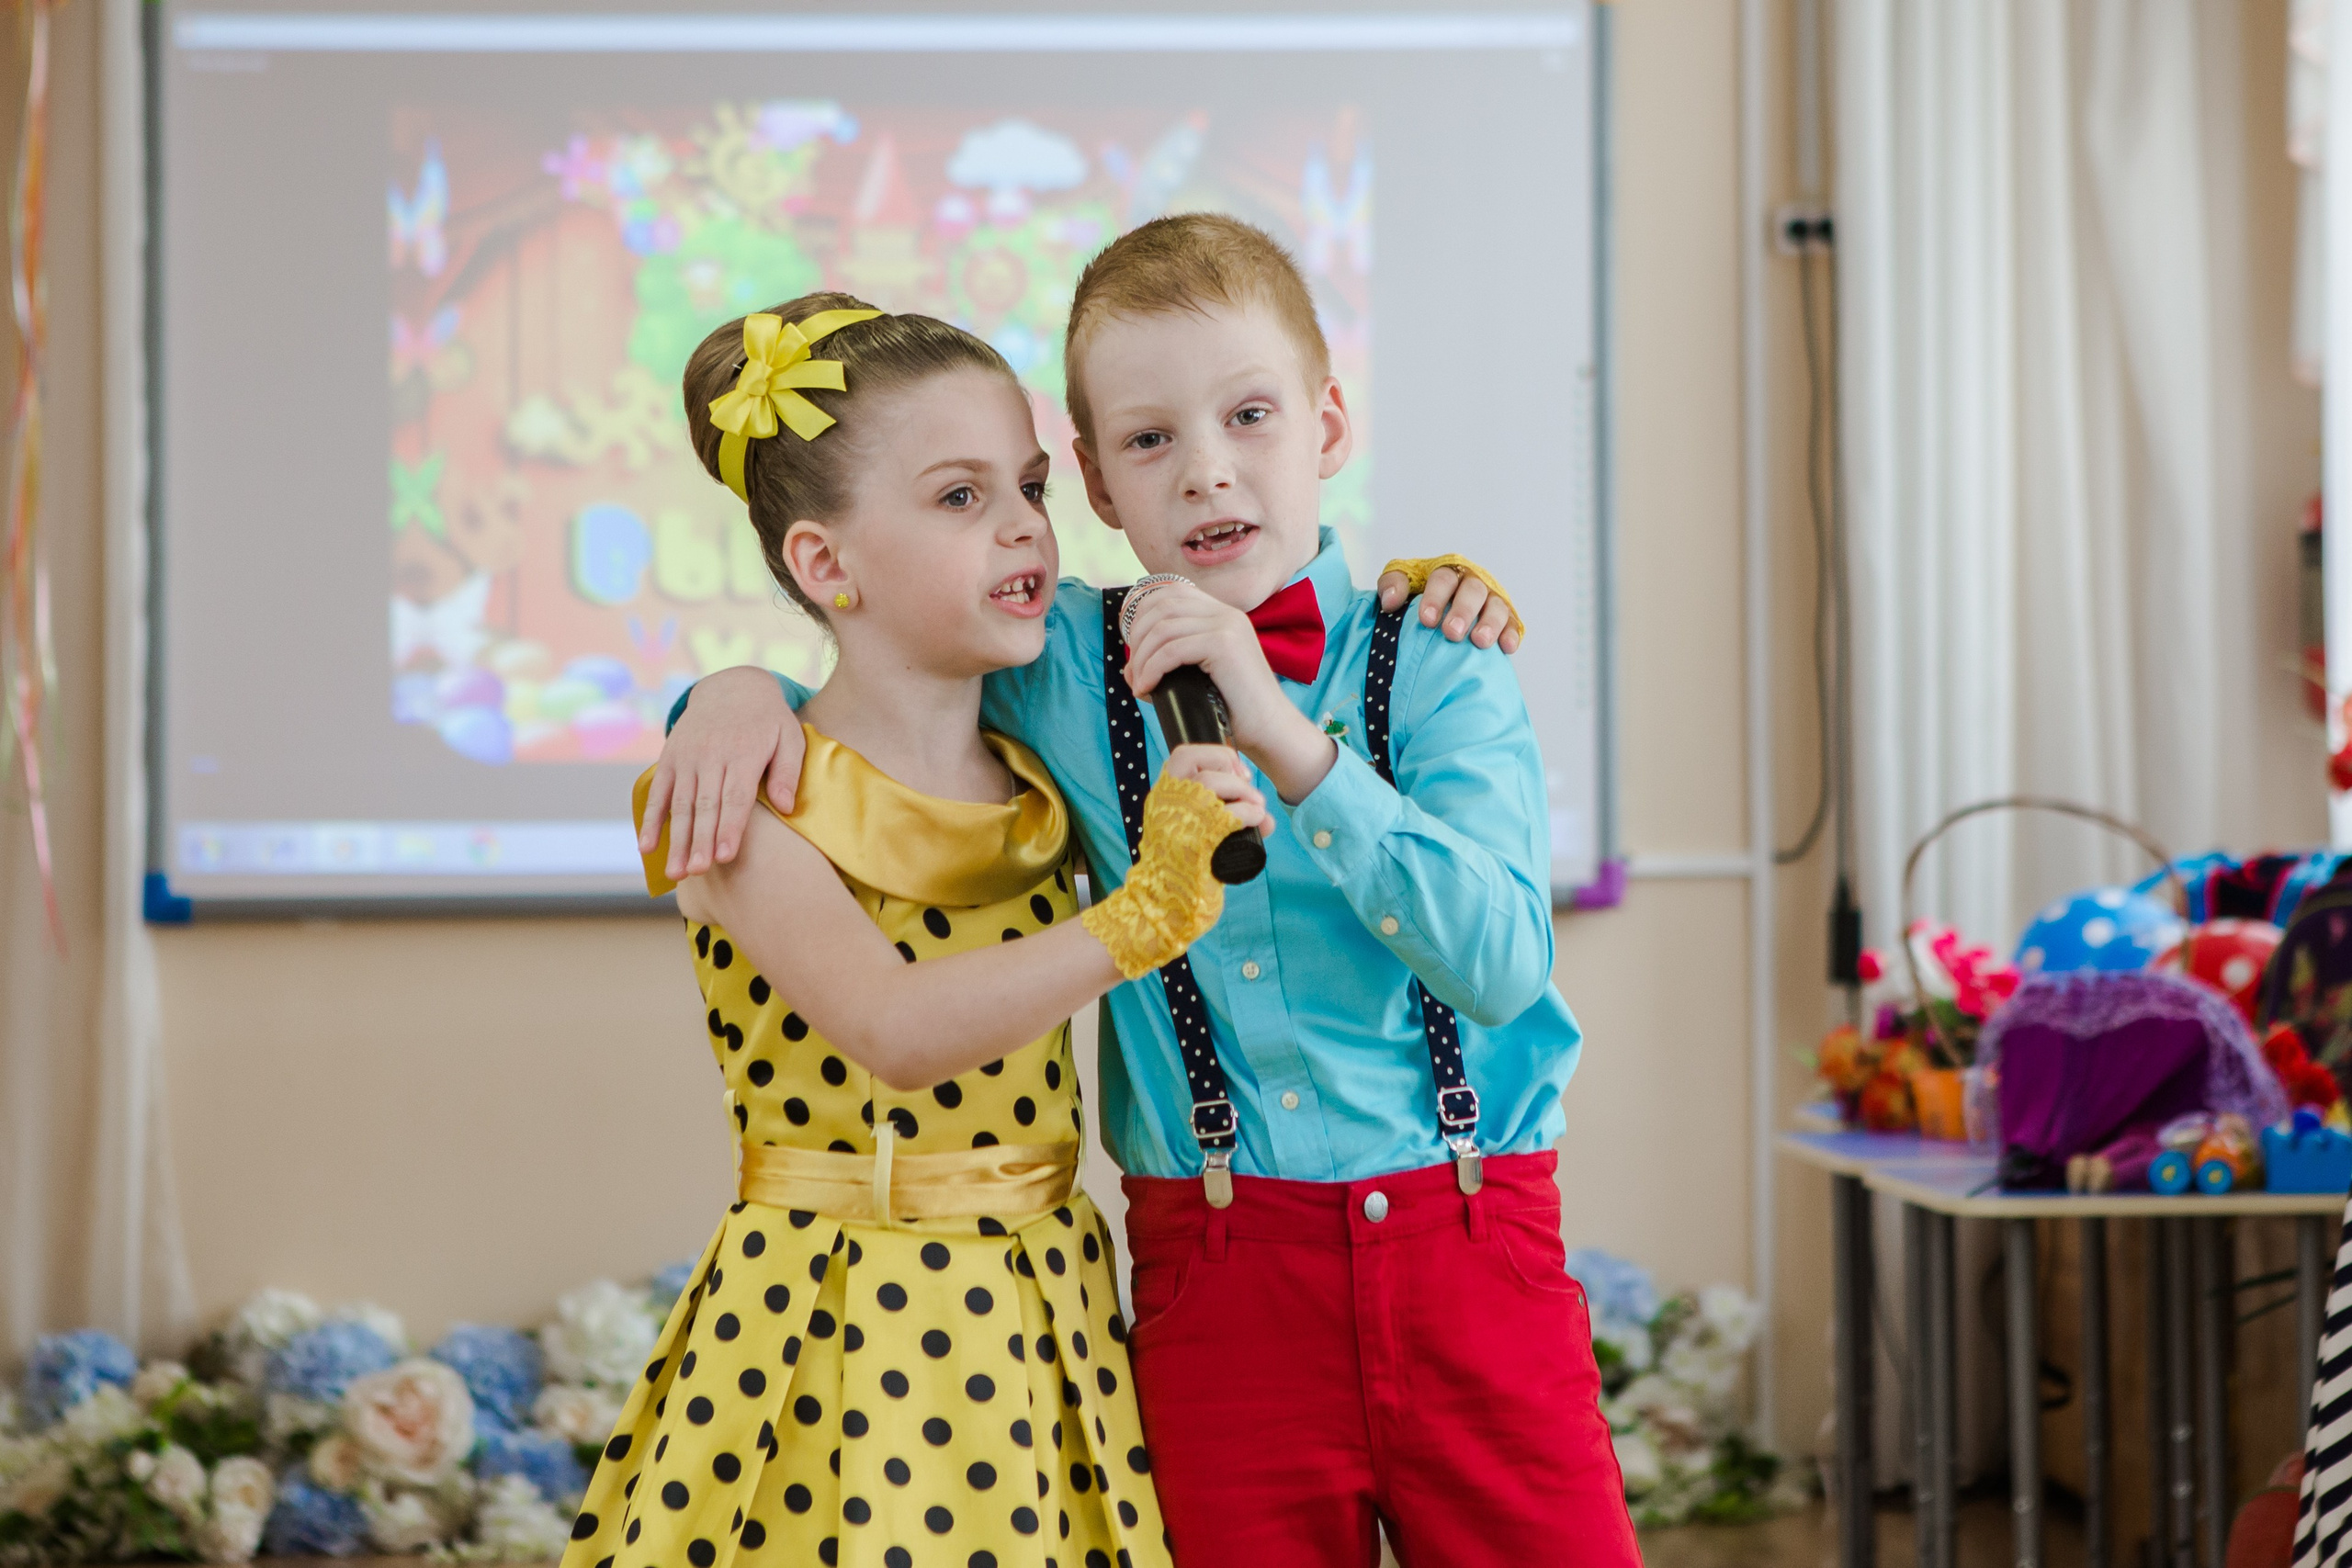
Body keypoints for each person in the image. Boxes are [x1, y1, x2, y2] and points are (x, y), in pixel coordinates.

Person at [649, 216, 1638, 1567]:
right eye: (1149, 440)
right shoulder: (1055, 657)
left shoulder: (1443, 657)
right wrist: (724, 694)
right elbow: (877, 641)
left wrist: (1291, 744)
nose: (1210, 471)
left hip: (1478, 1247)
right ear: (1100, 486)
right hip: (1217, 1278)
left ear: (1328, 424)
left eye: (1249, 417)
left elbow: (1503, 962)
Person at [560, 295, 1271, 1568]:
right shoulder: (748, 799)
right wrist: (1144, 916)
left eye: (1033, 487)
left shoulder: (1047, 781)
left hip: (1041, 1314)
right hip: (836, 1321)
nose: (1022, 529)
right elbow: (894, 1030)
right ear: (825, 567)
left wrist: (1416, 592)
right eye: (959, 498)